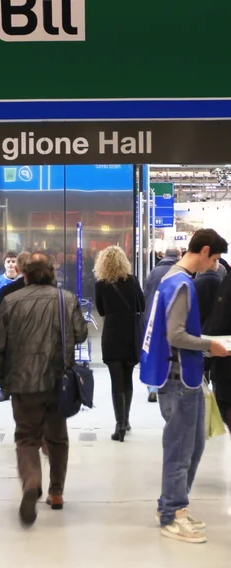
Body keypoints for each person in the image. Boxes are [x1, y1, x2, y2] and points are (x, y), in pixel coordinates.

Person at [141, 228, 229, 544]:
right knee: (180, 449)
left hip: (185, 376)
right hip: (179, 378)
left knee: (193, 446)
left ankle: (174, 504)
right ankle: (171, 514)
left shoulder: (175, 280)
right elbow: (175, 335)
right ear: (204, 251)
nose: (217, 265)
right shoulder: (180, 284)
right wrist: (211, 345)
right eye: (216, 258)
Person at [0, 253, 87, 526]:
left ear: (25, 275)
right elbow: (80, 334)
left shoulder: (11, 301)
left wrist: (3, 381)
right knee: (57, 438)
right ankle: (56, 493)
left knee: (26, 438)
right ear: (52, 273)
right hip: (58, 380)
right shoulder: (65, 299)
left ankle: (32, 482)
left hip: (23, 382)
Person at [94, 246, 146, 442]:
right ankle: (127, 420)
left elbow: (101, 311)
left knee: (116, 380)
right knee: (128, 379)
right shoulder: (132, 281)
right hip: (130, 333)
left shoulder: (101, 284)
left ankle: (120, 425)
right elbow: (142, 304)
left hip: (112, 334)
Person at [143, 247, 182, 403]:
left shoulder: (154, 271)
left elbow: (146, 293)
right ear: (178, 256)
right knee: (169, 352)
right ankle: (167, 383)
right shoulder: (179, 273)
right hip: (171, 317)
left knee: (154, 351)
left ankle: (153, 387)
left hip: (153, 316)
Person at [0, 251, 30, 403]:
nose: (11, 264)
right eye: (8, 261)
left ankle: (7, 387)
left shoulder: (50, 292)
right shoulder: (2, 286)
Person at [203, 271, 231, 430]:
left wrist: (205, 359)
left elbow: (219, 322)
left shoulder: (228, 283)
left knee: (225, 404)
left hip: (226, 361)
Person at [195, 257, 223, 328]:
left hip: (198, 322)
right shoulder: (222, 283)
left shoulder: (195, 282)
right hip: (216, 324)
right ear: (217, 267)